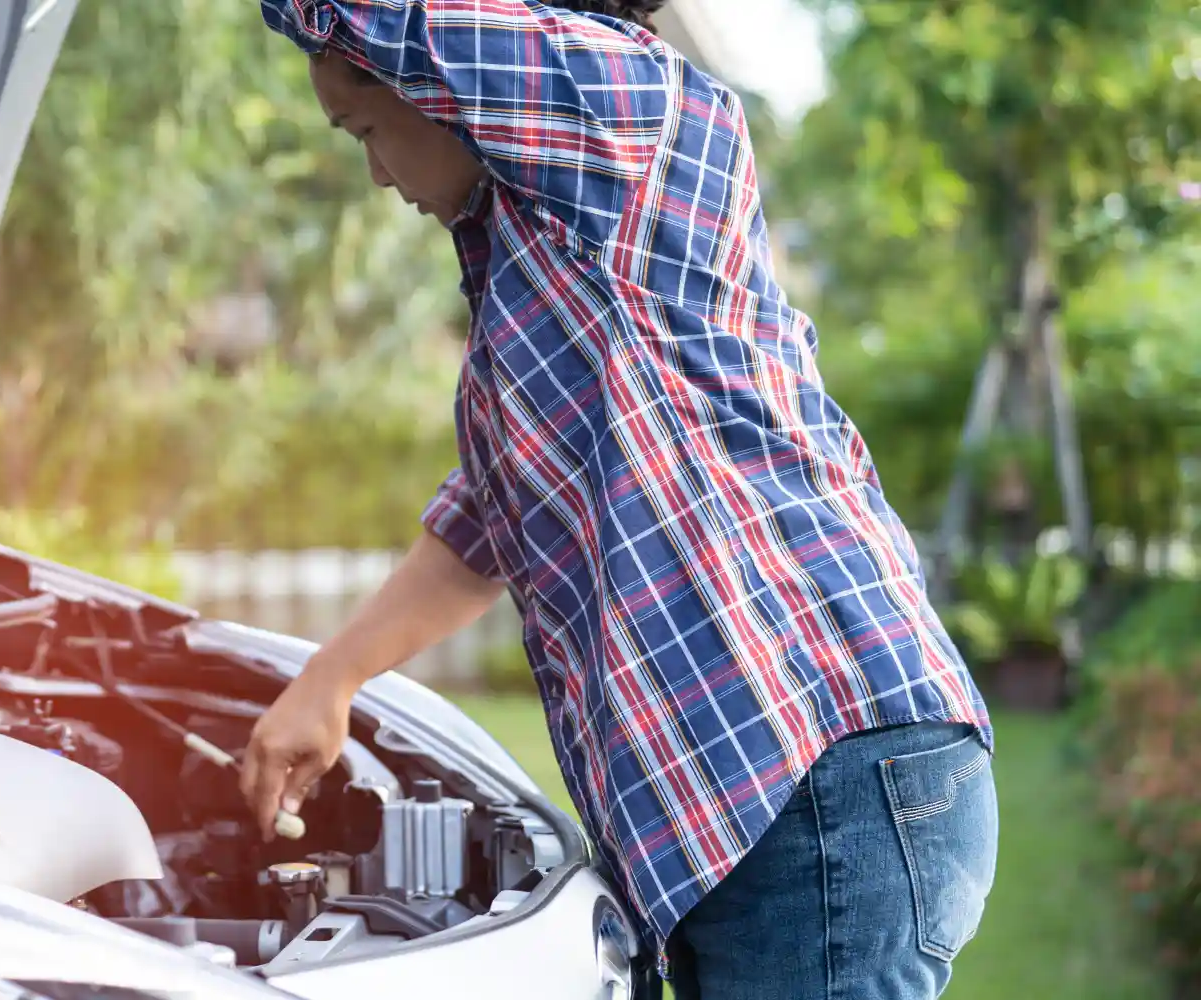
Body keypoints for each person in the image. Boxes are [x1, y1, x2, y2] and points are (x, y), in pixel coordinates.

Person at [241, 2, 999, 997]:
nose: (377, 174)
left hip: (814, 780)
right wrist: (330, 678)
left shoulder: (623, 107)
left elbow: (378, 13)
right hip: (777, 804)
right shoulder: (553, 250)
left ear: (435, 84)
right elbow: (484, 526)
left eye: (365, 129)